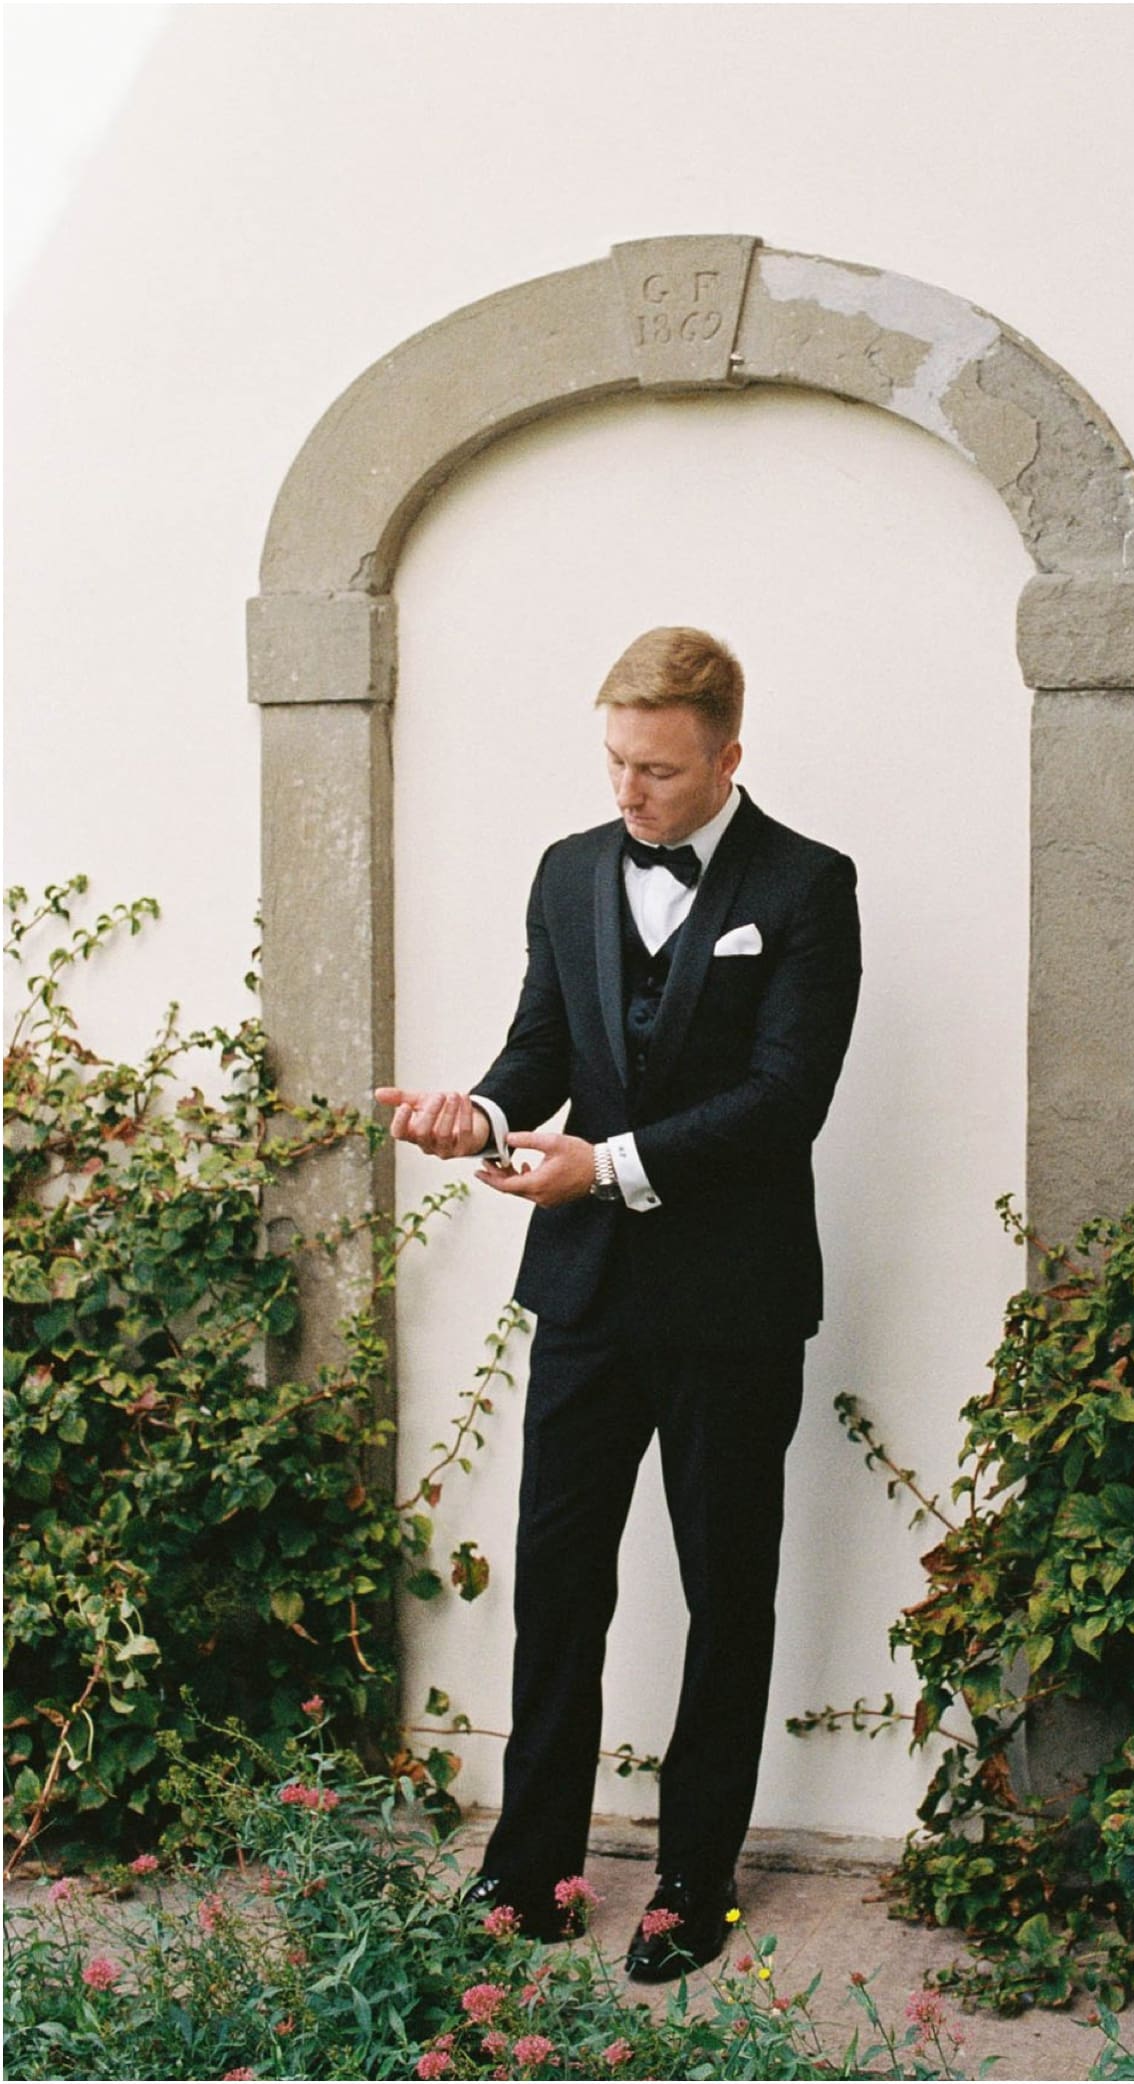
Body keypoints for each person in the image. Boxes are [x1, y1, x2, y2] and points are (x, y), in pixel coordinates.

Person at [376, 626, 861, 1980]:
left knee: (727, 1593)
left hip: (735, 1303)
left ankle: (691, 1888)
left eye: (657, 767)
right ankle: (527, 1871)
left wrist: (612, 1166)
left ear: (727, 757)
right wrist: (469, 1117)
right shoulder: (570, 871)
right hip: (586, 1297)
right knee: (557, 1588)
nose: (629, 791)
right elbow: (546, 1045)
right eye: (616, 761)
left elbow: (786, 1100)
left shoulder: (811, 885)